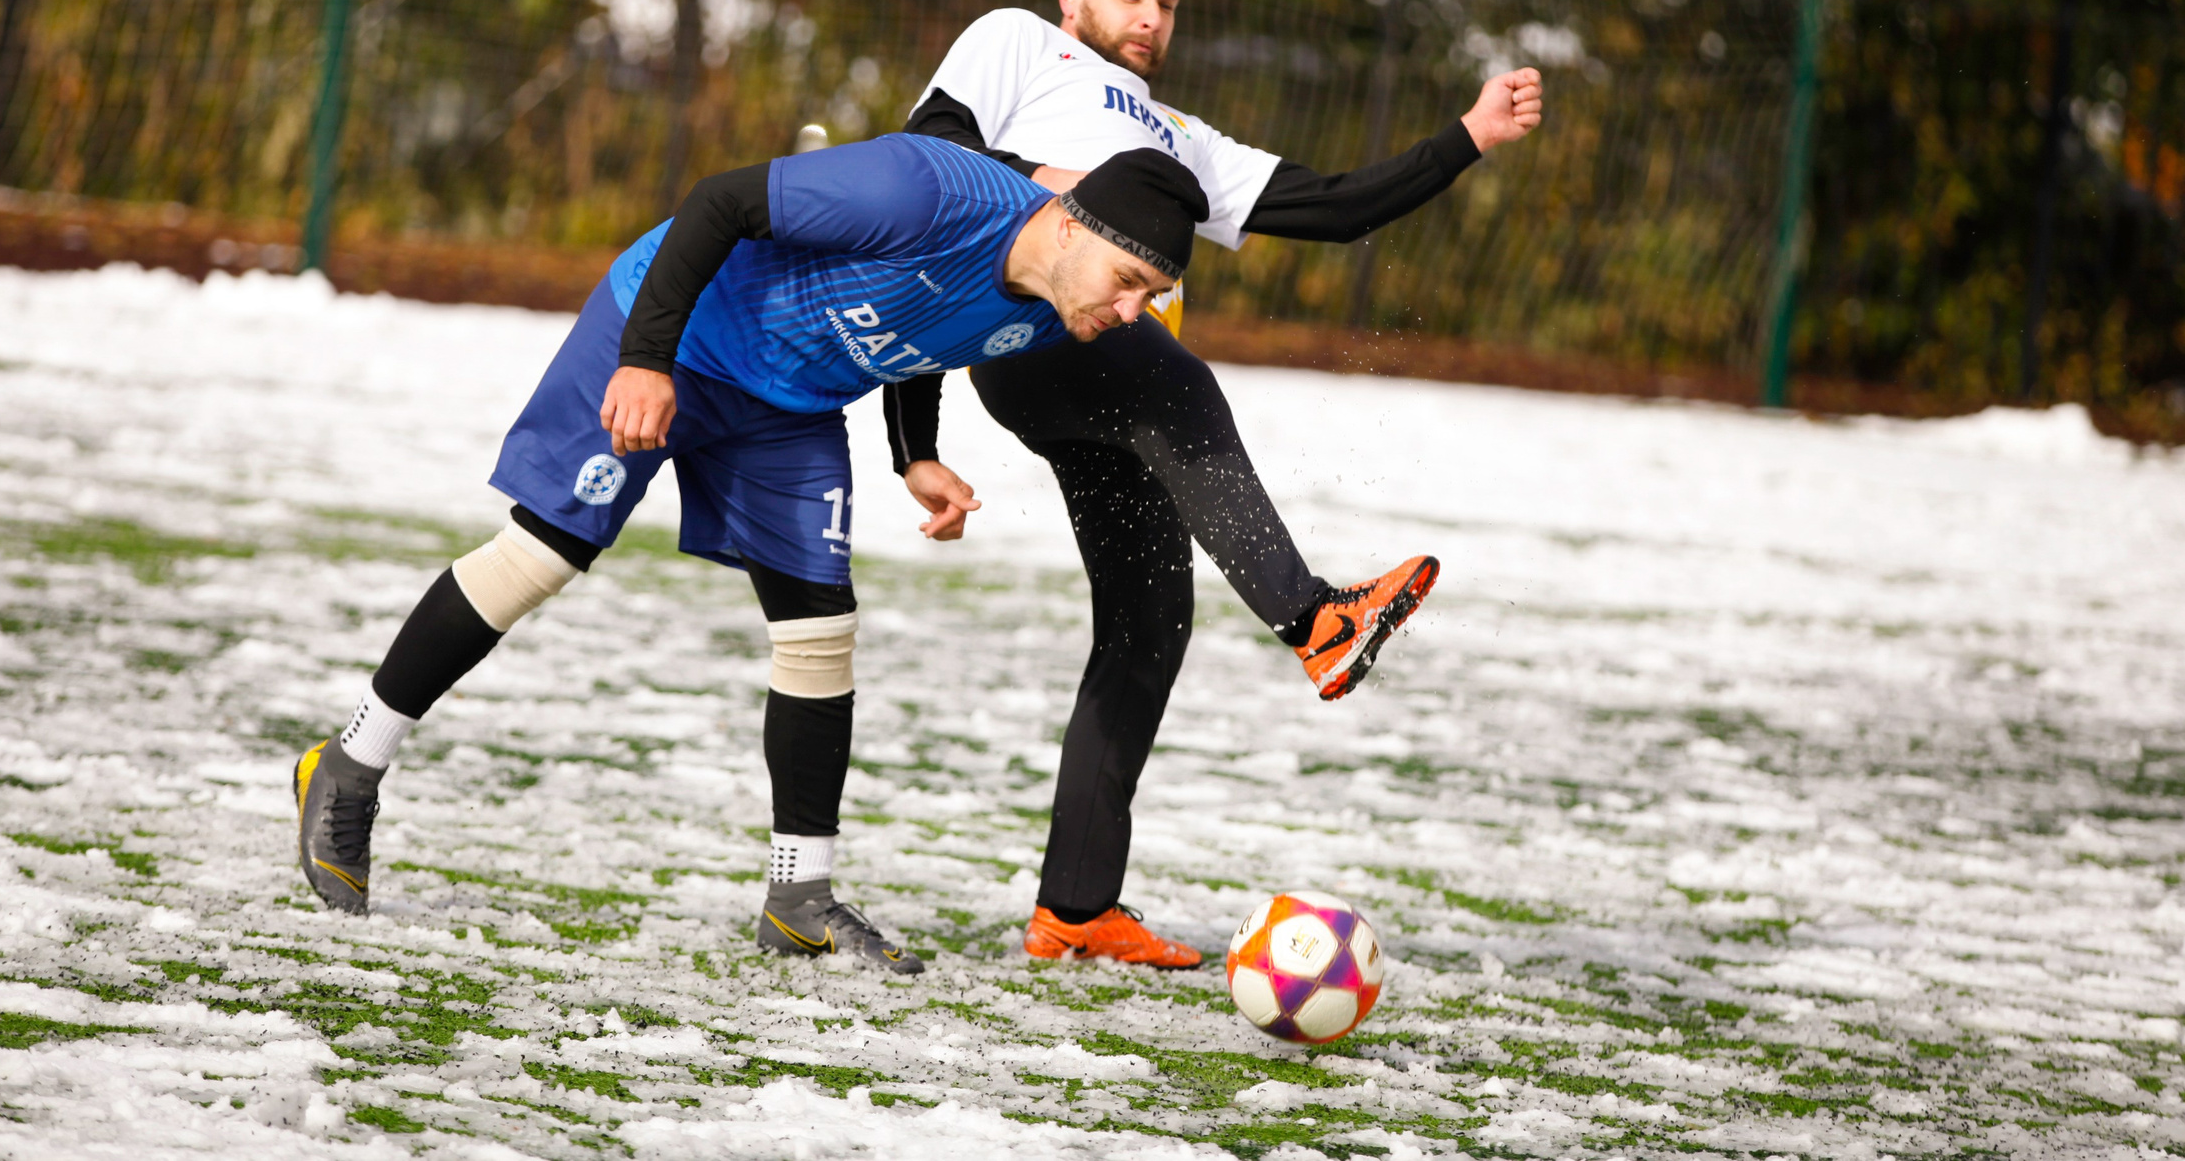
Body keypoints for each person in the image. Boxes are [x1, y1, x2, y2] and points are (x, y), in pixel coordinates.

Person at [290, 132, 1425, 975]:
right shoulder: (919, 185)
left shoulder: (1048, 307)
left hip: (791, 404)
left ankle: (800, 897)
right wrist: (645, 361)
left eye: (1156, 296)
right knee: (540, 559)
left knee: (820, 634)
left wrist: (913, 455)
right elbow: (719, 202)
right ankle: (348, 765)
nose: (1136, 310)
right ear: (1077, 225)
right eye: (1133, 282)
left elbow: (933, 332)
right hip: (670, 334)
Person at [893, 0, 1543, 969]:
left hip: (1110, 382)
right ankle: (1315, 619)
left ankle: (1076, 907)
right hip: (1041, 339)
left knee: (1149, 624)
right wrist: (1038, 190)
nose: (1149, 18)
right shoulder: (1019, 41)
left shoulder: (1180, 137)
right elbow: (925, 165)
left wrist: (1466, 137)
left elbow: (1338, 207)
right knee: (1182, 386)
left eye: (1166, 4)